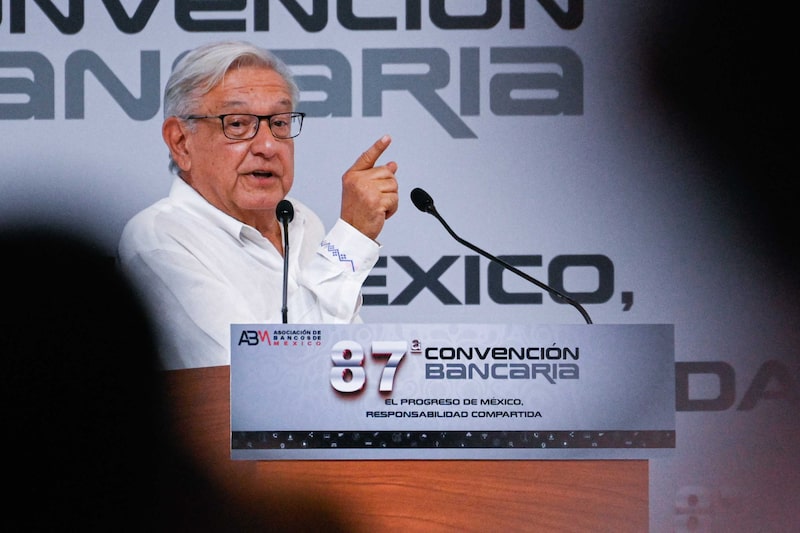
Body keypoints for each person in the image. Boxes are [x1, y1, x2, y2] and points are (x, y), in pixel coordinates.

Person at [118, 41, 398, 370]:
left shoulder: (300, 222)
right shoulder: (158, 238)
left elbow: (346, 358)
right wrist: (351, 237)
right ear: (181, 142)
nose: (267, 145)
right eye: (237, 124)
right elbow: (259, 381)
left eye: (279, 123)